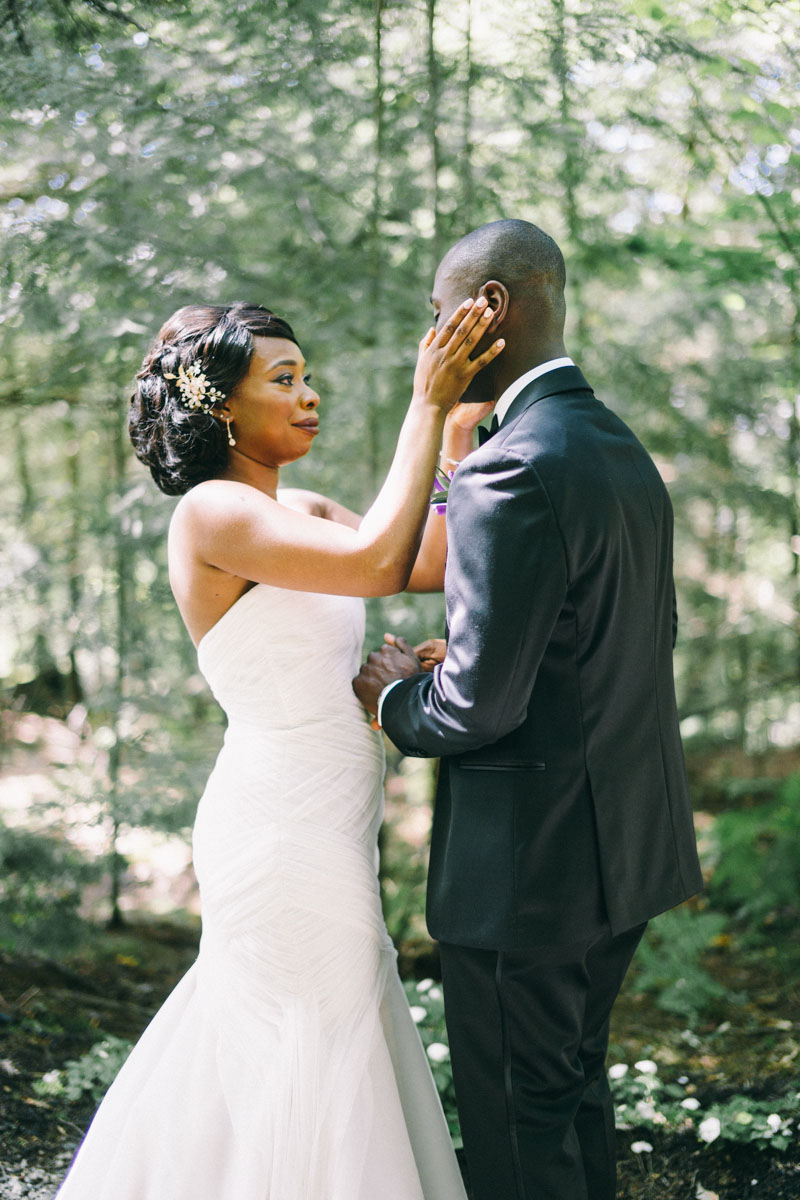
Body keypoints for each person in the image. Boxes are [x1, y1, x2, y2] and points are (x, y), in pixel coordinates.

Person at [54, 298, 504, 1200]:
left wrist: (455, 437)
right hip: (277, 830)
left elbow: (435, 558)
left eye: (308, 377)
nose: (311, 396)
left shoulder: (300, 508)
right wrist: (420, 404)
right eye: (285, 381)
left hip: (333, 821)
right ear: (221, 406)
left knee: (322, 1038)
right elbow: (379, 563)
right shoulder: (212, 515)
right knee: (310, 1042)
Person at [353, 219, 704, 1200]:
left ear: (486, 310)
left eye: (437, 315)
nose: (430, 338)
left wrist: (395, 695)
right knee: (566, 1101)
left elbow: (470, 711)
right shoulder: (609, 444)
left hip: (529, 872)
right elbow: (599, 643)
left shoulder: (512, 467)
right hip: (621, 851)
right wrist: (471, 655)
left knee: (517, 1136)